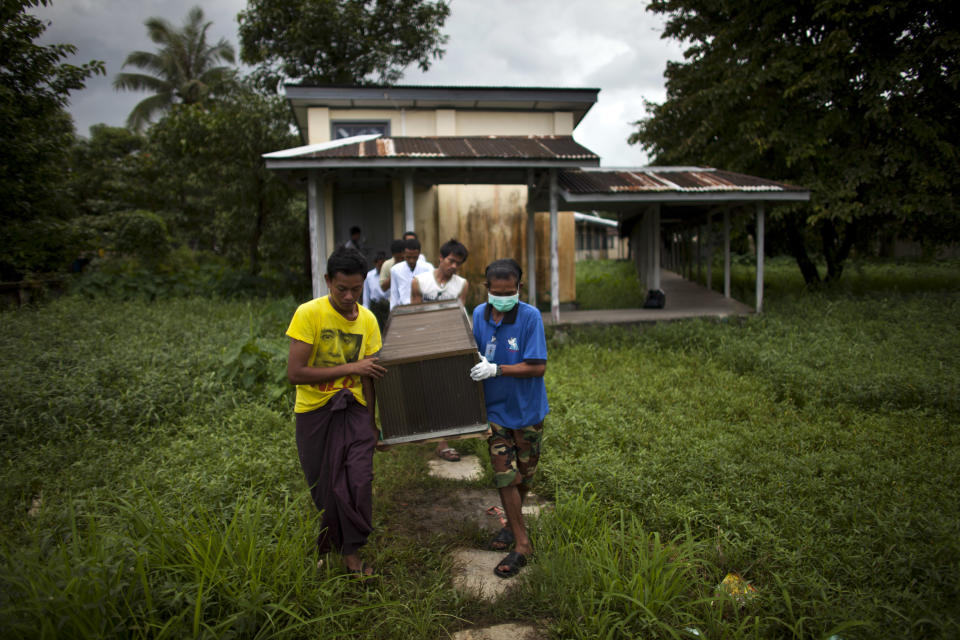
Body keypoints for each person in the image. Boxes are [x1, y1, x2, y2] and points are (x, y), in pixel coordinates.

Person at [286, 246, 387, 577]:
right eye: (341, 288)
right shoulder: (309, 314)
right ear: (327, 280)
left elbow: (369, 376)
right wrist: (351, 366)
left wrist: (372, 423)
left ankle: (353, 554)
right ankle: (332, 547)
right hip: (315, 411)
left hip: (354, 409)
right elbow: (296, 373)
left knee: (358, 480)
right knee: (325, 485)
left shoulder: (369, 320)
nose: (348, 295)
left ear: (364, 282)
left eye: (356, 289)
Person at [469, 258, 548, 579]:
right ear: (486, 288)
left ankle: (510, 525)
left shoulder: (530, 317)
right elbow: (469, 353)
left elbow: (538, 366)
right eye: (497, 291)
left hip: (528, 412)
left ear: (519, 288)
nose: (504, 297)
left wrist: (497, 368)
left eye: (510, 291)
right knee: (506, 477)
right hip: (495, 412)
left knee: (524, 479)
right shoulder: (478, 315)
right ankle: (522, 543)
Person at [410, 238, 471, 462]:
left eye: (458, 263)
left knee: (446, 390)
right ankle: (427, 433)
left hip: (449, 342)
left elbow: (459, 315)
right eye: (451, 261)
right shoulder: (420, 282)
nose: (454, 267)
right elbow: (413, 315)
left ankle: (443, 442)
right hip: (425, 341)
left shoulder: (461, 284)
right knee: (427, 390)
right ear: (441, 258)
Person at [388, 237, 432, 309]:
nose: (411, 260)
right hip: (403, 309)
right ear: (403, 254)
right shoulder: (395, 270)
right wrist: (393, 312)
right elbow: (394, 294)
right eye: (408, 257)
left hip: (423, 308)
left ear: (419, 254)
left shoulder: (428, 268)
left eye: (415, 257)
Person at [363, 251, 390, 329]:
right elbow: (366, 294)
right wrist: (366, 310)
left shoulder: (390, 275)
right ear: (375, 263)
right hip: (375, 306)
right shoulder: (369, 276)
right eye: (380, 265)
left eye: (383, 265)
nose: (382, 268)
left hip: (387, 305)